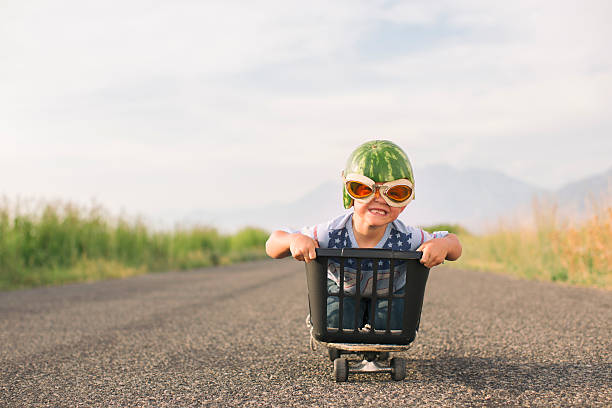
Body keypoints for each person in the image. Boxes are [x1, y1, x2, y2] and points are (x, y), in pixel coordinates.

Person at [266, 140, 462, 331]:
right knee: (335, 319)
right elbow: (273, 244)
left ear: (405, 202)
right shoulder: (332, 234)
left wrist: (442, 246)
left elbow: (453, 244)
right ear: (348, 193)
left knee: (397, 324)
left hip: (391, 294)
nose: (379, 199)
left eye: (395, 192)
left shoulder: (407, 238)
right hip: (343, 291)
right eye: (363, 189)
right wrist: (294, 240)